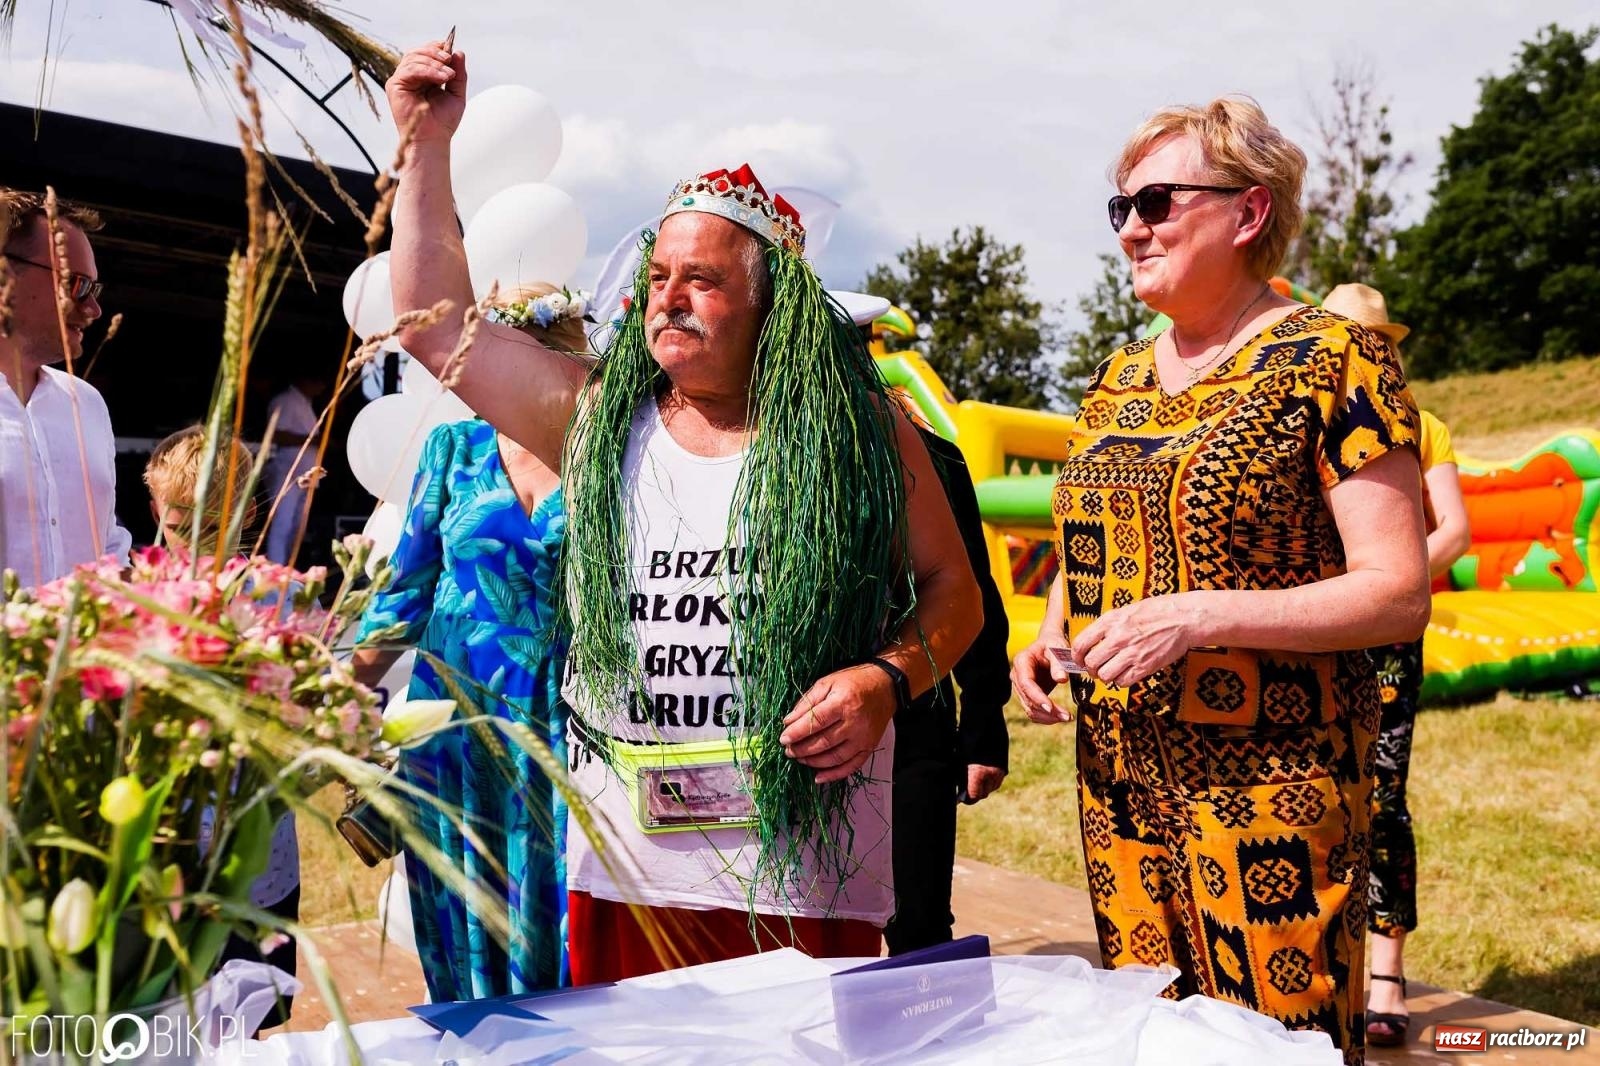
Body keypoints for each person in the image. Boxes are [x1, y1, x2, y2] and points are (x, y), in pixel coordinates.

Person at [383, 39, 982, 985]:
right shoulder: (594, 416)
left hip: (802, 869)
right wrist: (425, 145)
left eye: (701, 279)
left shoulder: (862, 429)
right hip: (630, 865)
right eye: (659, 277)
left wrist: (884, 680)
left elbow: (956, 592)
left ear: (769, 302)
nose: (669, 298)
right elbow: (432, 321)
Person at [1010, 98, 1429, 1064]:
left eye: (1157, 201)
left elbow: (1397, 589)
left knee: (1274, 1048)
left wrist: (1199, 616)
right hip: (1120, 787)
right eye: (1119, 208)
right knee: (1149, 1038)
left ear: (1247, 214)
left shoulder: (1336, 359)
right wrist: (1050, 631)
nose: (1133, 228)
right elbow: (1094, 543)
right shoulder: (1115, 377)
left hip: (1271, 786)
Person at [352, 283, 589, 1000]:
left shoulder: (602, 456)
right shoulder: (452, 451)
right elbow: (406, 589)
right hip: (451, 726)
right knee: (461, 915)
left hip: (560, 723)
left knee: (559, 911)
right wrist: (339, 691)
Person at [1321, 283, 1471, 1048]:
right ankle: (1322, 966)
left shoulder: (1422, 425)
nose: (1365, 349)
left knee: (1380, 796)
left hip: (1383, 637)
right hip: (1311, 633)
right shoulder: (1305, 416)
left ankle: (1386, 971)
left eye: (1375, 339)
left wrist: (1394, 575)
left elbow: (1455, 530)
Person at [143, 425, 301, 1030]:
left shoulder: (276, 598)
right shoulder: (141, 592)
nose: (192, 548)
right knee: (170, 1014)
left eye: (209, 530)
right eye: (179, 528)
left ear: (246, 513)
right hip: (171, 858)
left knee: (249, 1018)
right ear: (155, 509)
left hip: (255, 859)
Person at [887, 421, 1011, 955]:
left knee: (917, 923)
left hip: (913, 722)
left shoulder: (928, 454)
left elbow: (971, 594)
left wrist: (984, 727)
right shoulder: (748, 449)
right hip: (783, 731)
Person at [0, 189, 131, 586]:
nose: (93, 309)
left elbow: (108, 546)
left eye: (95, 290)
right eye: (77, 285)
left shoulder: (87, 403)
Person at [261, 371, 327, 565]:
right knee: (283, 521)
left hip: (306, 473)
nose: (321, 388)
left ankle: (288, 567)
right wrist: (312, 440)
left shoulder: (305, 403)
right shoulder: (285, 401)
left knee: (298, 526)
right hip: (287, 471)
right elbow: (276, 435)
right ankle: (276, 569)